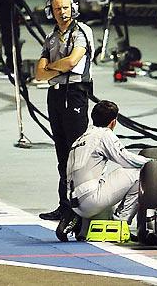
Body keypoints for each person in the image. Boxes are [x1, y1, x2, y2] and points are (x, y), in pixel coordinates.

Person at [35, 0, 94, 221]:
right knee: (62, 153)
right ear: (51, 11)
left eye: (66, 7)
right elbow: (39, 73)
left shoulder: (82, 32)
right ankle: (65, 205)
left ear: (74, 8)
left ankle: (80, 208)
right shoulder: (51, 38)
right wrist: (56, 68)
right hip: (56, 95)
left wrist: (51, 66)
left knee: (76, 152)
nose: (62, 12)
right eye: (57, 8)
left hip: (75, 93)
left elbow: (72, 61)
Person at [56, 100, 149, 240]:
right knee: (140, 174)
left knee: (100, 179)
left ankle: (82, 227)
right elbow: (126, 160)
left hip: (73, 200)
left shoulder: (81, 138)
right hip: (90, 200)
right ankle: (121, 224)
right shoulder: (104, 134)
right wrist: (153, 163)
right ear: (113, 122)